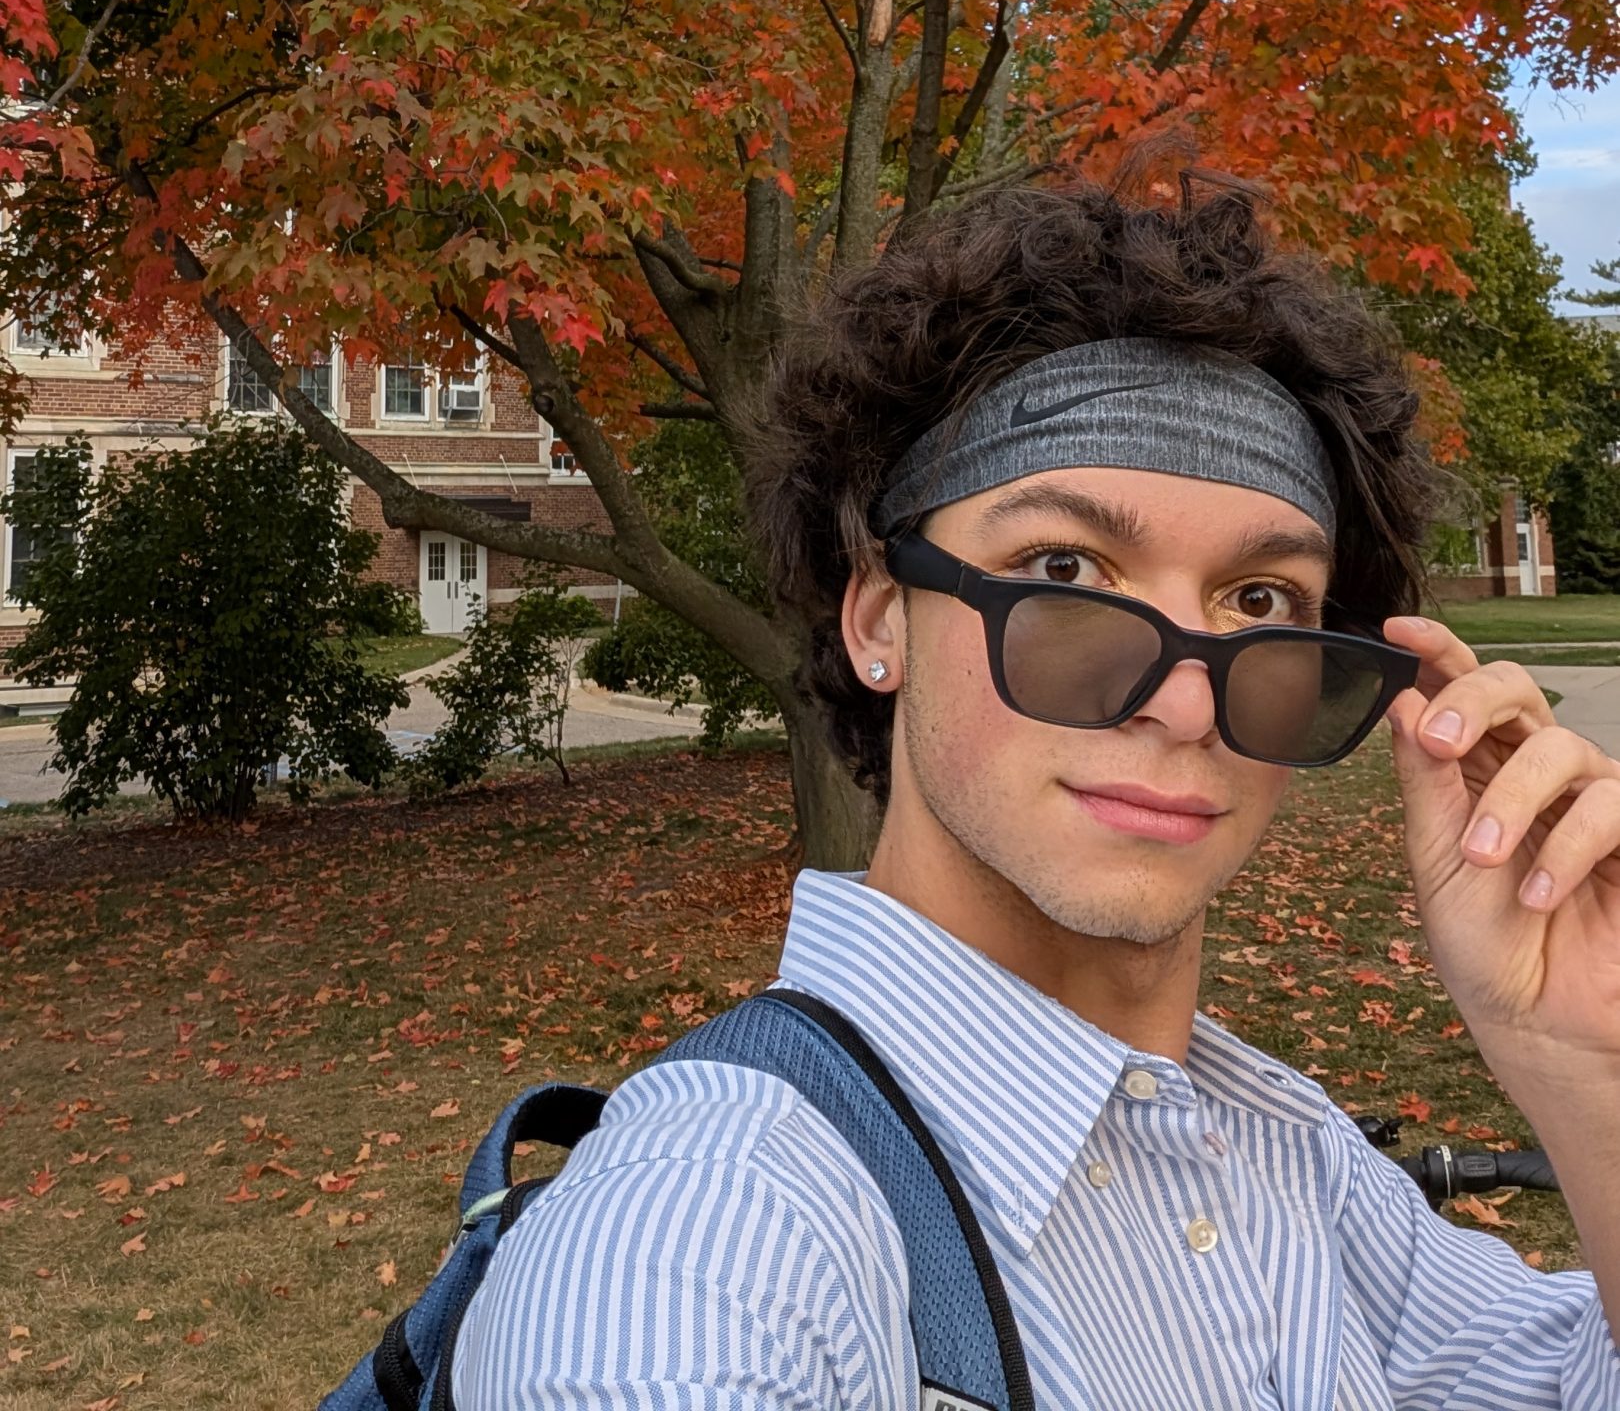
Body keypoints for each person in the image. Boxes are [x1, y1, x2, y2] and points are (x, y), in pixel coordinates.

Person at [454, 176, 1620, 1408]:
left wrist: (1588, 1064)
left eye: (1262, 600)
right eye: (1065, 568)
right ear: (880, 617)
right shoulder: (702, 1259)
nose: (1185, 700)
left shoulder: (1296, 1162)